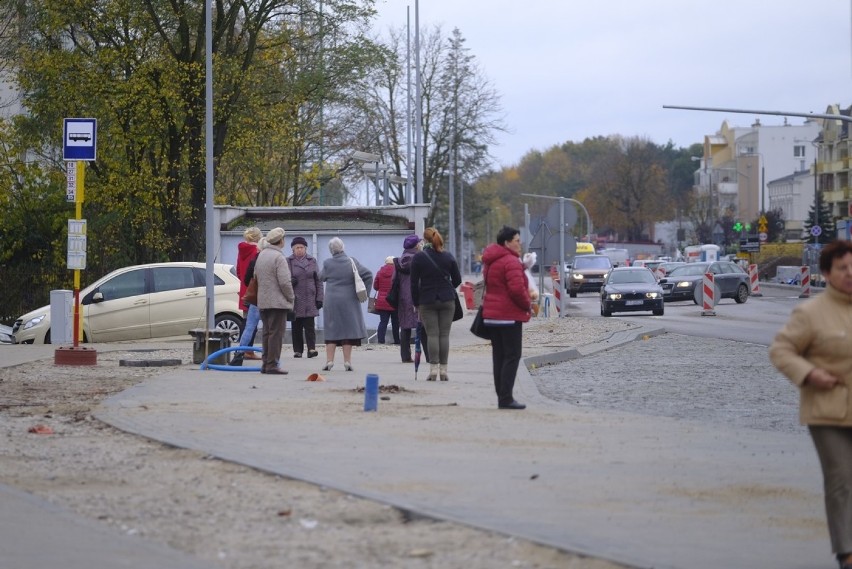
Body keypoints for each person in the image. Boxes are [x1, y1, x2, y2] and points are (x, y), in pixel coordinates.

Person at [769, 239, 852, 569]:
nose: (850, 274)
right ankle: (847, 552)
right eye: (843, 268)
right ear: (826, 274)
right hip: (828, 410)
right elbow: (781, 350)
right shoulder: (811, 313)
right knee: (841, 479)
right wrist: (810, 374)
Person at [481, 225, 534, 409]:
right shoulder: (510, 261)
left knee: (499, 356)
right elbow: (516, 289)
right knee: (512, 355)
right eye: (517, 241)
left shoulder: (492, 260)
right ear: (507, 243)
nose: (520, 244)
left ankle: (502, 396)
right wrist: (528, 305)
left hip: (492, 315)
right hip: (509, 315)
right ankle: (506, 398)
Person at [410, 227, 461, 381]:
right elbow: (457, 280)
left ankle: (433, 370)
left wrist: (415, 302)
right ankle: (444, 371)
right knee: (444, 335)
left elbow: (413, 283)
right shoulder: (448, 256)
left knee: (432, 334)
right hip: (447, 300)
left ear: (425, 240)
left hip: (427, 300)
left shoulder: (418, 258)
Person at [319, 237, 373, 371]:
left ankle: (329, 361)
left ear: (330, 250)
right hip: (349, 301)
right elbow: (369, 274)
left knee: (331, 330)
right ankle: (347, 362)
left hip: (332, 301)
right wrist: (364, 292)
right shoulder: (352, 261)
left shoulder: (327, 263)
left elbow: (321, 277)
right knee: (347, 332)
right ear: (343, 248)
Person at [253, 227, 295, 375]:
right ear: (281, 241)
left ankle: (265, 364)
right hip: (277, 302)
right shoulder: (279, 257)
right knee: (276, 335)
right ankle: (272, 365)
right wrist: (291, 297)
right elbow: (285, 282)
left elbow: (256, 277)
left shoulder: (262, 255)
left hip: (263, 301)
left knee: (267, 333)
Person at [287, 236, 323, 359]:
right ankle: (298, 350)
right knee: (296, 326)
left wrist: (320, 298)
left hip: (310, 298)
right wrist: (290, 281)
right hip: (295, 298)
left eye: (302, 247)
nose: (300, 250)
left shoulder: (312, 260)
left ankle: (311, 349)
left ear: (306, 248)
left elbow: (318, 280)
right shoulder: (289, 261)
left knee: (309, 326)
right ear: (293, 249)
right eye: (297, 247)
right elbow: (283, 278)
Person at [231, 227, 262, 366]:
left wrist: (244, 281)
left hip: (244, 287)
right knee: (252, 322)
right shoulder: (257, 251)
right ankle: (248, 350)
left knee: (246, 319)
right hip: (254, 288)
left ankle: (242, 350)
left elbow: (238, 270)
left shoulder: (241, 250)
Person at [396, 234, 421, 363]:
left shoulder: (399, 260)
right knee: (423, 326)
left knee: (405, 327)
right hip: (417, 295)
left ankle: (405, 356)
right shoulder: (418, 259)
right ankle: (428, 355)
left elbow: (393, 281)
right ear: (416, 245)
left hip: (403, 298)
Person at [373, 256, 400, 344]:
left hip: (382, 300)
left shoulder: (380, 272)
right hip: (394, 300)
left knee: (383, 322)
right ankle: (396, 340)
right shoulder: (397, 271)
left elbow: (375, 286)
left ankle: (381, 341)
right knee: (395, 322)